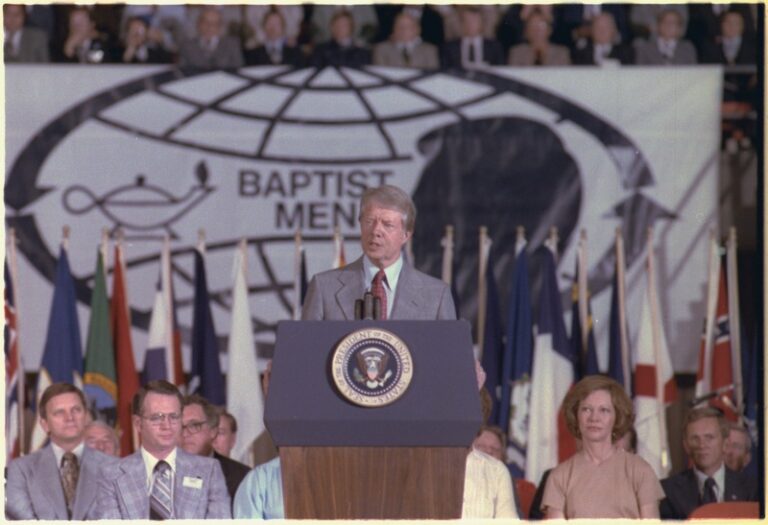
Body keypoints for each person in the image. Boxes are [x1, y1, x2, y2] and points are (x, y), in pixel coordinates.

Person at [301, 185, 455, 321]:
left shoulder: (436, 296)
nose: (375, 231)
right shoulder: (324, 288)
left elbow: (448, 353)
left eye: (387, 225)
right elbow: (305, 351)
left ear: (406, 235)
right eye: (369, 222)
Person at [96, 380, 231, 519]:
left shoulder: (209, 470)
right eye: (157, 417)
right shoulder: (111, 475)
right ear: (138, 424)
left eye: (174, 417)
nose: (167, 425)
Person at [541, 375, 663, 519]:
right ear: (576, 415)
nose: (594, 418)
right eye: (586, 409)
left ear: (616, 417)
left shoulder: (641, 470)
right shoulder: (559, 476)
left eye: (604, 410)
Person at [6, 383, 116, 520]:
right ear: (45, 424)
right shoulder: (21, 469)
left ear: (86, 417)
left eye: (76, 410)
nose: (69, 418)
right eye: (59, 412)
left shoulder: (116, 468)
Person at [659, 407, 758, 519]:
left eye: (709, 437)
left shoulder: (753, 489)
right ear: (686, 446)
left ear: (725, 444)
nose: (702, 445)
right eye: (695, 438)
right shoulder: (667, 491)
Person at [181, 394, 250, 502]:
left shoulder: (242, 477)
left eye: (194, 425)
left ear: (213, 431)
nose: (185, 433)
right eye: (180, 427)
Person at [178, 6, 243, 69]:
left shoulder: (232, 44)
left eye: (214, 23)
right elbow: (182, 71)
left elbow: (238, 69)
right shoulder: (187, 45)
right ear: (198, 24)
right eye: (206, 22)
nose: (209, 27)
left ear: (220, 26)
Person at [373, 11, 439, 69]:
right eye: (399, 26)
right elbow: (380, 71)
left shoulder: (429, 50)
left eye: (408, 26)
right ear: (393, 29)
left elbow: (433, 73)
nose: (403, 30)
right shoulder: (381, 49)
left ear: (418, 29)